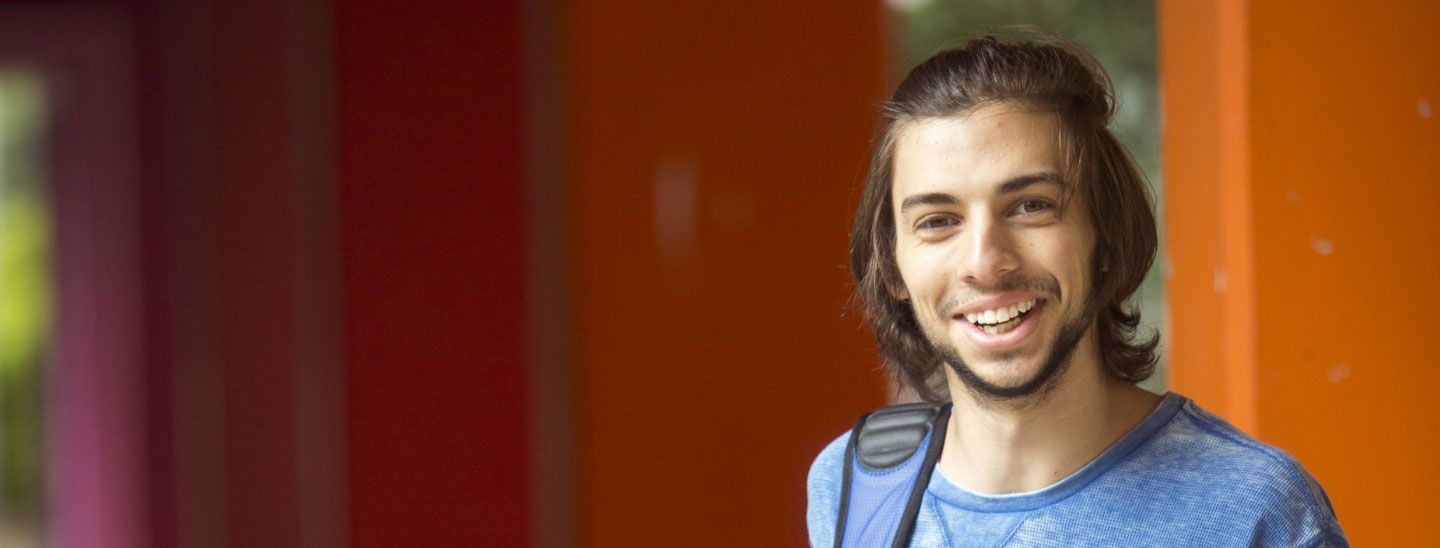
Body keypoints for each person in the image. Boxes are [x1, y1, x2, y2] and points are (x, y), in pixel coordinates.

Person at [807, 31, 1347, 547]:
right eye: (937, 220)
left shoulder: (1251, 509)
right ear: (894, 268)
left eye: (1031, 206)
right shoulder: (850, 489)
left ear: (1106, 234)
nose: (985, 262)